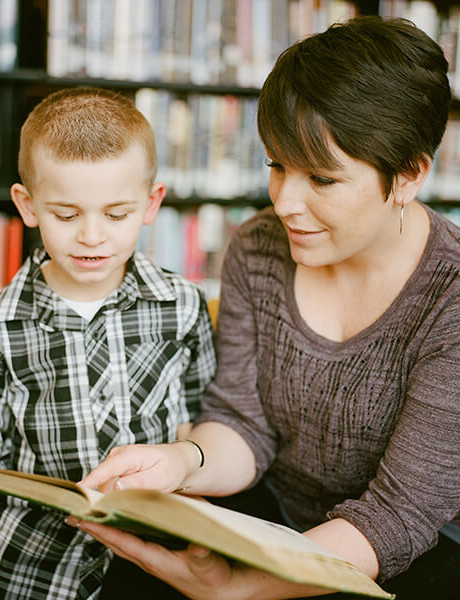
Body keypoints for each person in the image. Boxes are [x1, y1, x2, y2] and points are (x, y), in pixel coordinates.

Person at [73, 16, 460, 600]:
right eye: (276, 165)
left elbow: (395, 518)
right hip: (274, 518)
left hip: (408, 554)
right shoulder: (256, 247)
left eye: (323, 180)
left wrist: (237, 590)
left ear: (407, 177)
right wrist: (182, 460)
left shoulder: (450, 299)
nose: (284, 203)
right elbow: (242, 423)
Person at [0, 87, 217, 600]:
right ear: (28, 205)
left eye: (116, 214)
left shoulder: (182, 305)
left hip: (156, 558)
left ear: (151, 203)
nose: (92, 236)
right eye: (67, 215)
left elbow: (199, 421)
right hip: (33, 566)